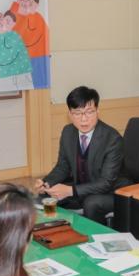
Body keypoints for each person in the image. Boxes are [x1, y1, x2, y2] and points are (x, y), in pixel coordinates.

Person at [35, 86, 129, 224]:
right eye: (78, 113)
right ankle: (58, 232)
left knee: (91, 203)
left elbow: (106, 182)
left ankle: (94, 236)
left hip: (112, 192)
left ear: (97, 111)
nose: (84, 119)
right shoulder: (68, 132)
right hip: (82, 188)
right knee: (43, 198)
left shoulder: (112, 139)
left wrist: (70, 191)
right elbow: (62, 166)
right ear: (70, 114)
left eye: (89, 112)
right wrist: (46, 183)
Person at [0, 10, 33, 88]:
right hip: (7, 77)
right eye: (4, 20)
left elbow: (0, 57)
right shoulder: (1, 34)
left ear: (14, 24)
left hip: (21, 75)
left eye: (8, 21)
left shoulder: (13, 36)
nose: (5, 22)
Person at [10, 0, 50, 89]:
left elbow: (46, 34)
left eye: (33, 3)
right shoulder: (24, 17)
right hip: (30, 55)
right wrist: (17, 5)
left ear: (37, 5)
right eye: (29, 3)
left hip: (41, 54)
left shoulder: (38, 17)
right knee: (32, 83)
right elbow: (12, 25)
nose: (30, 5)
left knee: (41, 84)